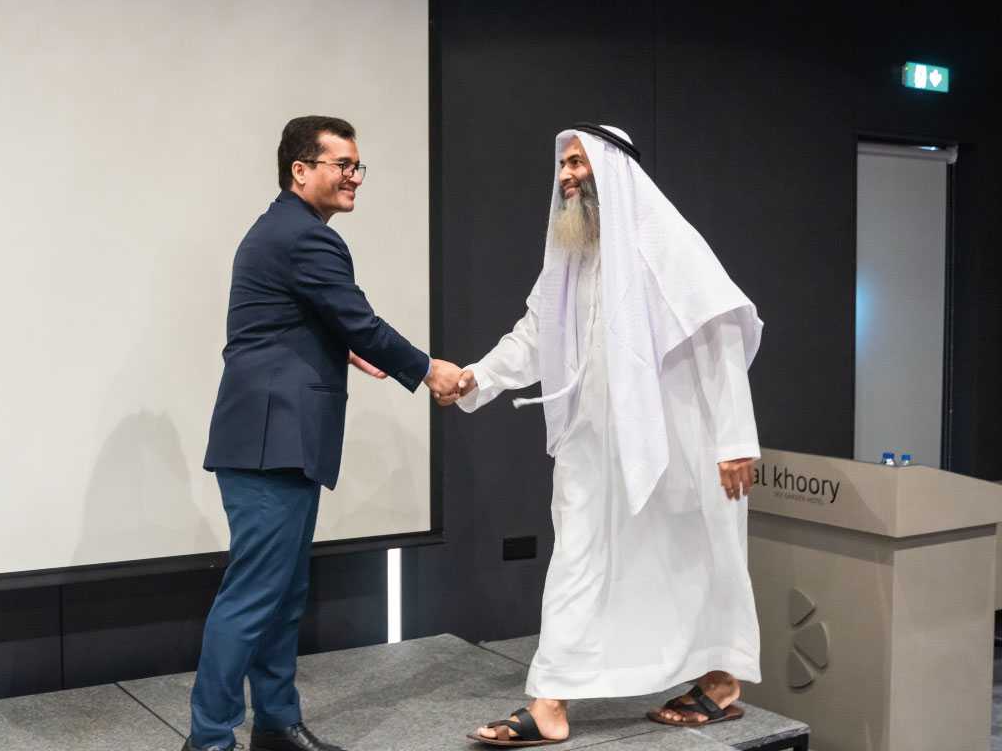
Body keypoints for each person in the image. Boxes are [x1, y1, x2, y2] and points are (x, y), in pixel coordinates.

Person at [453, 126, 763, 746]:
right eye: (562, 165)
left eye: (578, 162)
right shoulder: (569, 257)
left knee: (698, 558)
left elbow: (721, 335)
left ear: (613, 169)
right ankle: (550, 700)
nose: (566, 175)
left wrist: (736, 439)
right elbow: (534, 335)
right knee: (577, 557)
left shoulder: (666, 242)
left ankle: (722, 679)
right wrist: (475, 377)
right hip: (591, 443)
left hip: (678, 443)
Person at [187, 116, 462, 751]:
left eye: (357, 165)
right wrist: (428, 369)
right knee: (254, 597)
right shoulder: (305, 237)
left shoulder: (283, 230)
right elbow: (358, 320)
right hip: (271, 442)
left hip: (277, 440)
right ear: (300, 170)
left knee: (281, 595)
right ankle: (208, 739)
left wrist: (337, 345)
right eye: (342, 164)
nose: (353, 176)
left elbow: (296, 322)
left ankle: (276, 725)